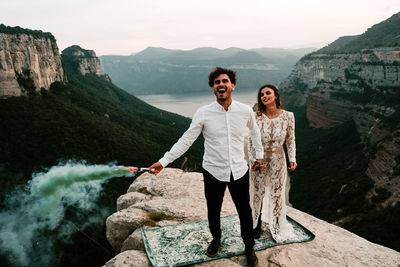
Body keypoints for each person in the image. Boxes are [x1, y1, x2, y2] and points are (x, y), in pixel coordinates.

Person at [148, 67, 264, 266]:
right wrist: (164, 161)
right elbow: (186, 140)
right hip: (213, 170)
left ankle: (249, 246)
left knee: (245, 211)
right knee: (213, 209)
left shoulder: (245, 110)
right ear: (213, 88)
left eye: (225, 81)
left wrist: (259, 157)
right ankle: (216, 239)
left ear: (232, 86)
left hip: (239, 169)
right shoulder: (203, 113)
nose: (221, 84)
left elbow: (255, 133)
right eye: (217, 82)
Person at [248, 84, 298, 243]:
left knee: (277, 193)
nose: (264, 96)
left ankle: (276, 226)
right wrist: (254, 160)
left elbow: (290, 140)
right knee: (257, 193)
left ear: (275, 95)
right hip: (259, 160)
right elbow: (251, 141)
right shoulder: (255, 116)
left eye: (268, 93)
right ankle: (255, 225)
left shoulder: (288, 116)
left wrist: (292, 159)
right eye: (261, 94)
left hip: (278, 159)